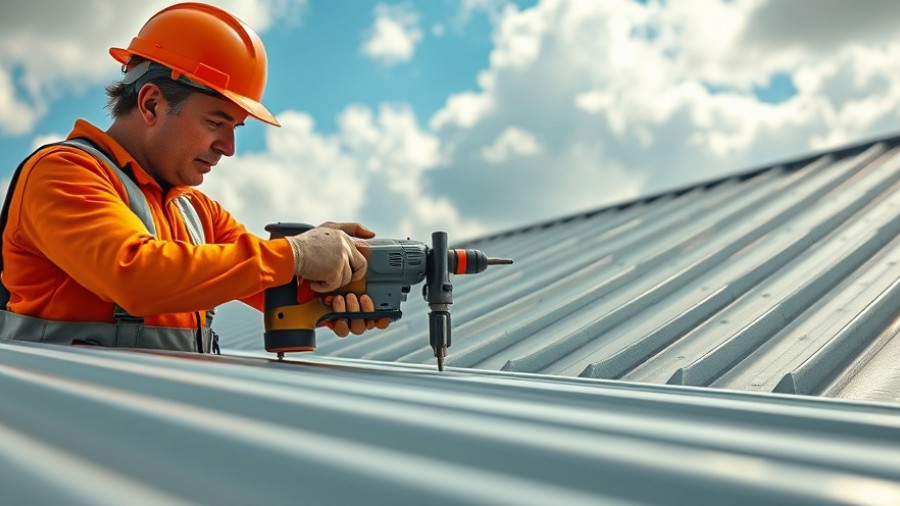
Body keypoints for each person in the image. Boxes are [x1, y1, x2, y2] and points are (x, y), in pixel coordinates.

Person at [0, 3, 388, 353]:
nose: (229, 147)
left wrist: (347, 284)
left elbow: (272, 281)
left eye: (235, 126)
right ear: (151, 103)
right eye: (215, 123)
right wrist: (298, 253)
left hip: (151, 420)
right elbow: (135, 276)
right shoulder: (62, 173)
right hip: (56, 422)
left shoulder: (196, 212)